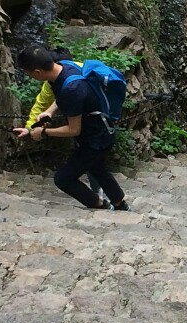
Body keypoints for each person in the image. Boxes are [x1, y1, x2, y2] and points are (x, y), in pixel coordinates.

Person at [13, 45, 129, 211]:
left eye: (28, 73)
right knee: (97, 168)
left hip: (96, 140)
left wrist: (44, 132)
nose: (29, 76)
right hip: (102, 130)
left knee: (63, 178)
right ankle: (121, 205)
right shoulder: (65, 67)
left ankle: (100, 205)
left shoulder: (72, 89)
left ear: (37, 72)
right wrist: (48, 113)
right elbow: (63, 96)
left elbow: (74, 130)